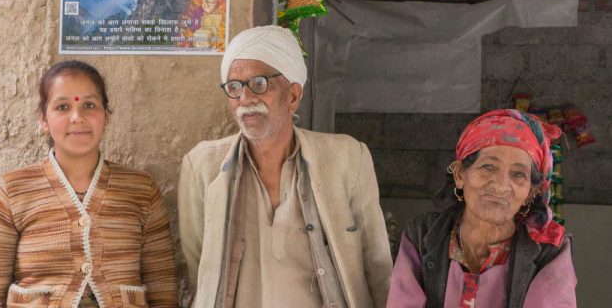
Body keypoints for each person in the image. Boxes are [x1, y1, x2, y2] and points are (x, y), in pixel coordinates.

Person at [178, 25, 392, 308]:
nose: (245, 99)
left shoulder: (347, 158)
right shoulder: (202, 166)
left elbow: (377, 267)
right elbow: (199, 267)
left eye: (259, 84)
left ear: (292, 95)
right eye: (234, 87)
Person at [0, 60, 178, 307]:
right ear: (43, 119)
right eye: (62, 107)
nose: (77, 117)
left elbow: (163, 288)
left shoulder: (141, 190)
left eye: (89, 105)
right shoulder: (12, 191)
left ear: (106, 116)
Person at [387, 109, 576, 307]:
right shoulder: (422, 235)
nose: (501, 186)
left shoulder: (549, 252)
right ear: (460, 174)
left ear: (530, 192)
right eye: (488, 167)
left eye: (518, 174)